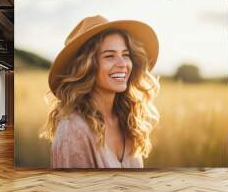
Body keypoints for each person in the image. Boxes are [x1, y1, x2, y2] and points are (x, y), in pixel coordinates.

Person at [42, 15, 160, 168]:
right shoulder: (73, 131)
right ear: (86, 66)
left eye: (125, 55)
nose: (122, 64)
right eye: (110, 56)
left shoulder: (128, 120)